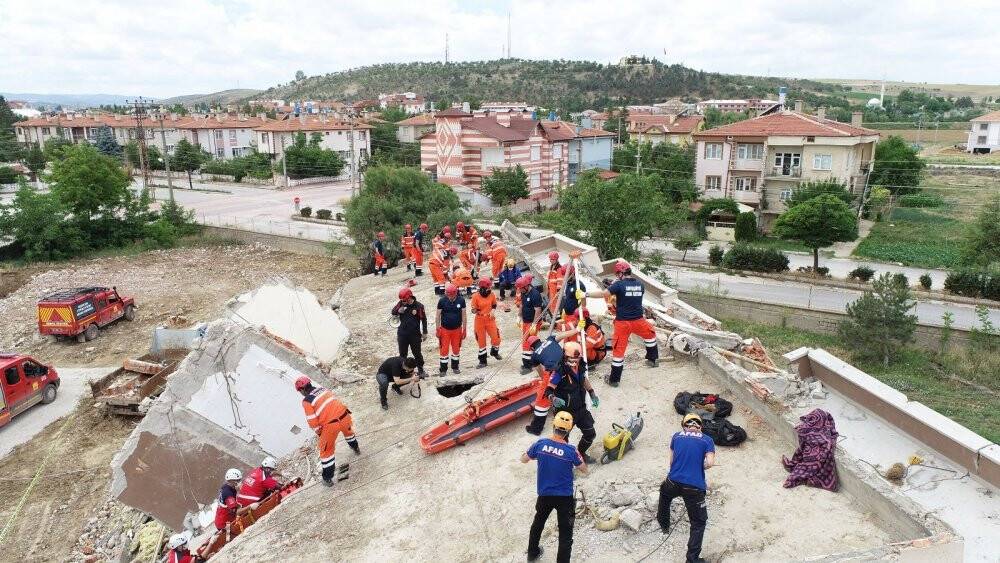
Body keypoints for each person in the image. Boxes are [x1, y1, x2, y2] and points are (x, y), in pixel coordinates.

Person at [521, 411, 588, 563]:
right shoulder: (571, 451)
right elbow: (584, 469)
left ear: (553, 426)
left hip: (544, 495)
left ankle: (532, 553)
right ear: (569, 430)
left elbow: (523, 459)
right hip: (564, 498)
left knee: (538, 523)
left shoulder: (540, 444)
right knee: (565, 534)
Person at [586, 260, 659, 387]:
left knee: (618, 351)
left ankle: (614, 380)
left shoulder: (618, 285)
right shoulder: (640, 285)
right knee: (650, 335)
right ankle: (653, 359)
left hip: (623, 323)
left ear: (620, 273)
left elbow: (604, 294)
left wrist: (586, 294)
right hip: (639, 321)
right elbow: (632, 299)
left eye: (617, 274)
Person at [657, 413, 716, 563]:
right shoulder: (707, 440)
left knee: (664, 495)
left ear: (684, 426)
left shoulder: (676, 436)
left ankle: (664, 524)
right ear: (700, 427)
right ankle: (692, 559)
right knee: (698, 523)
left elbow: (671, 461)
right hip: (694, 489)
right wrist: (699, 466)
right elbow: (709, 463)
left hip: (673, 482)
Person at [295, 376, 360, 486]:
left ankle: (327, 478)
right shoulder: (323, 389)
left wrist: (320, 433)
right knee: (349, 434)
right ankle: (356, 448)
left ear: (302, 390)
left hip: (331, 425)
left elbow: (312, 421)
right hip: (345, 416)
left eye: (300, 391)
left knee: (326, 451)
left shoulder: (307, 401)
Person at [541, 341, 599, 463]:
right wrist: (553, 399)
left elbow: (583, 379)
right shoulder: (559, 371)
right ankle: (564, 464)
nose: (575, 361)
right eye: (572, 358)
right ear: (565, 356)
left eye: (577, 358)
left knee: (590, 434)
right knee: (561, 442)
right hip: (564, 413)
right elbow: (549, 390)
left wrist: (592, 393)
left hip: (580, 409)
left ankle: (581, 453)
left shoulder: (580, 366)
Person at [391, 287, 427, 376]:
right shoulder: (401, 303)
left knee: (417, 353)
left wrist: (425, 332)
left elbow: (424, 319)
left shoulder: (419, 306)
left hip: (415, 335)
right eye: (402, 300)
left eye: (405, 300)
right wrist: (398, 310)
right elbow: (393, 311)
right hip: (402, 335)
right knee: (402, 354)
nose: (403, 302)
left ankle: (421, 370)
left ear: (410, 297)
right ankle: (403, 372)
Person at [470, 277, 502, 368]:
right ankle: (482, 361)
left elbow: (494, 304)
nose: (490, 289)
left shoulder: (491, 295)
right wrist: (474, 310)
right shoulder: (475, 296)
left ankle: (494, 352)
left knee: (496, 338)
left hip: (490, 318)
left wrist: (492, 311)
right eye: (488, 287)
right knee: (481, 341)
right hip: (479, 320)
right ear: (483, 288)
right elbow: (473, 308)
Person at [436, 283, 467, 375]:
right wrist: (438, 329)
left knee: (456, 349)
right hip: (445, 330)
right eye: (449, 295)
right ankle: (443, 369)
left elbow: (464, 316)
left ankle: (455, 367)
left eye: (452, 296)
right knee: (444, 350)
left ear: (455, 294)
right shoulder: (442, 301)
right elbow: (438, 316)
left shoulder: (461, 300)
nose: (450, 297)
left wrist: (464, 330)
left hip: (457, 330)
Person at [517, 275, 544, 375]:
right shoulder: (524, 293)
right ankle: (531, 362)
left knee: (527, 343)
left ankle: (528, 365)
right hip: (526, 321)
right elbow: (522, 305)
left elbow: (538, 310)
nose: (519, 290)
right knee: (525, 341)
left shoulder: (535, 294)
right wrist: (519, 316)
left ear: (526, 286)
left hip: (533, 322)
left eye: (520, 288)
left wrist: (534, 324)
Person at [545, 251, 564, 316]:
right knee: (552, 302)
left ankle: (556, 315)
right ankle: (553, 314)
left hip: (555, 289)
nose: (551, 260)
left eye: (553, 259)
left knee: (555, 302)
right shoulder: (552, 266)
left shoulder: (558, 268)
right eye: (550, 259)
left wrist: (558, 290)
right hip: (551, 288)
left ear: (556, 259)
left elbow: (560, 280)